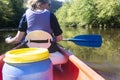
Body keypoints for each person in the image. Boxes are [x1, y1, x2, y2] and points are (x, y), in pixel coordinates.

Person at [5, 0, 67, 65]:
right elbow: (59, 38)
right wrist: (51, 39)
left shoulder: (25, 15)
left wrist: (8, 40)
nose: (49, 7)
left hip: (30, 52)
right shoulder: (51, 16)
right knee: (64, 58)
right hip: (48, 51)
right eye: (49, 5)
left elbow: (17, 40)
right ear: (45, 4)